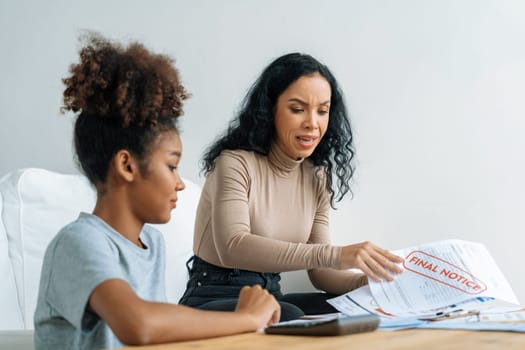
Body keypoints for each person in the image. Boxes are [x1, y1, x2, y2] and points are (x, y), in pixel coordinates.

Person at [33, 33, 280, 350]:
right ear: (127, 165)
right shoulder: (78, 243)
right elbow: (138, 325)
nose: (179, 182)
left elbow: (157, 334)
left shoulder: (151, 242)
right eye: (172, 166)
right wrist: (246, 318)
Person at [179, 53, 404, 321]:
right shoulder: (234, 163)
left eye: (322, 110)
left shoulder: (317, 177)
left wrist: (368, 285)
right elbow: (232, 246)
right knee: (291, 313)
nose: (312, 123)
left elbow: (321, 271)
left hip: (271, 298)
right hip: (211, 297)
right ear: (270, 109)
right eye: (297, 109)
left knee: (351, 310)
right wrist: (338, 255)